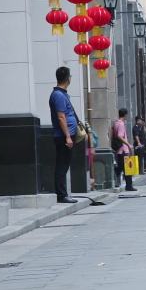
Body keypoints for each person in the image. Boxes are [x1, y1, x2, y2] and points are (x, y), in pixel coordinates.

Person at [49, 66, 79, 203]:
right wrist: (67, 136)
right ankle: (61, 195)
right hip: (63, 136)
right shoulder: (58, 95)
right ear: (68, 78)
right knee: (62, 165)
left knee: (64, 164)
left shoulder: (62, 94)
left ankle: (63, 193)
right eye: (70, 76)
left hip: (67, 135)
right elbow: (61, 117)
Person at [112, 108, 136, 191]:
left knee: (122, 168)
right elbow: (119, 136)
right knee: (127, 168)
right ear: (125, 115)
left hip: (119, 150)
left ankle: (127, 185)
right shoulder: (121, 124)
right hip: (123, 149)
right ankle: (129, 186)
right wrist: (128, 144)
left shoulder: (116, 123)